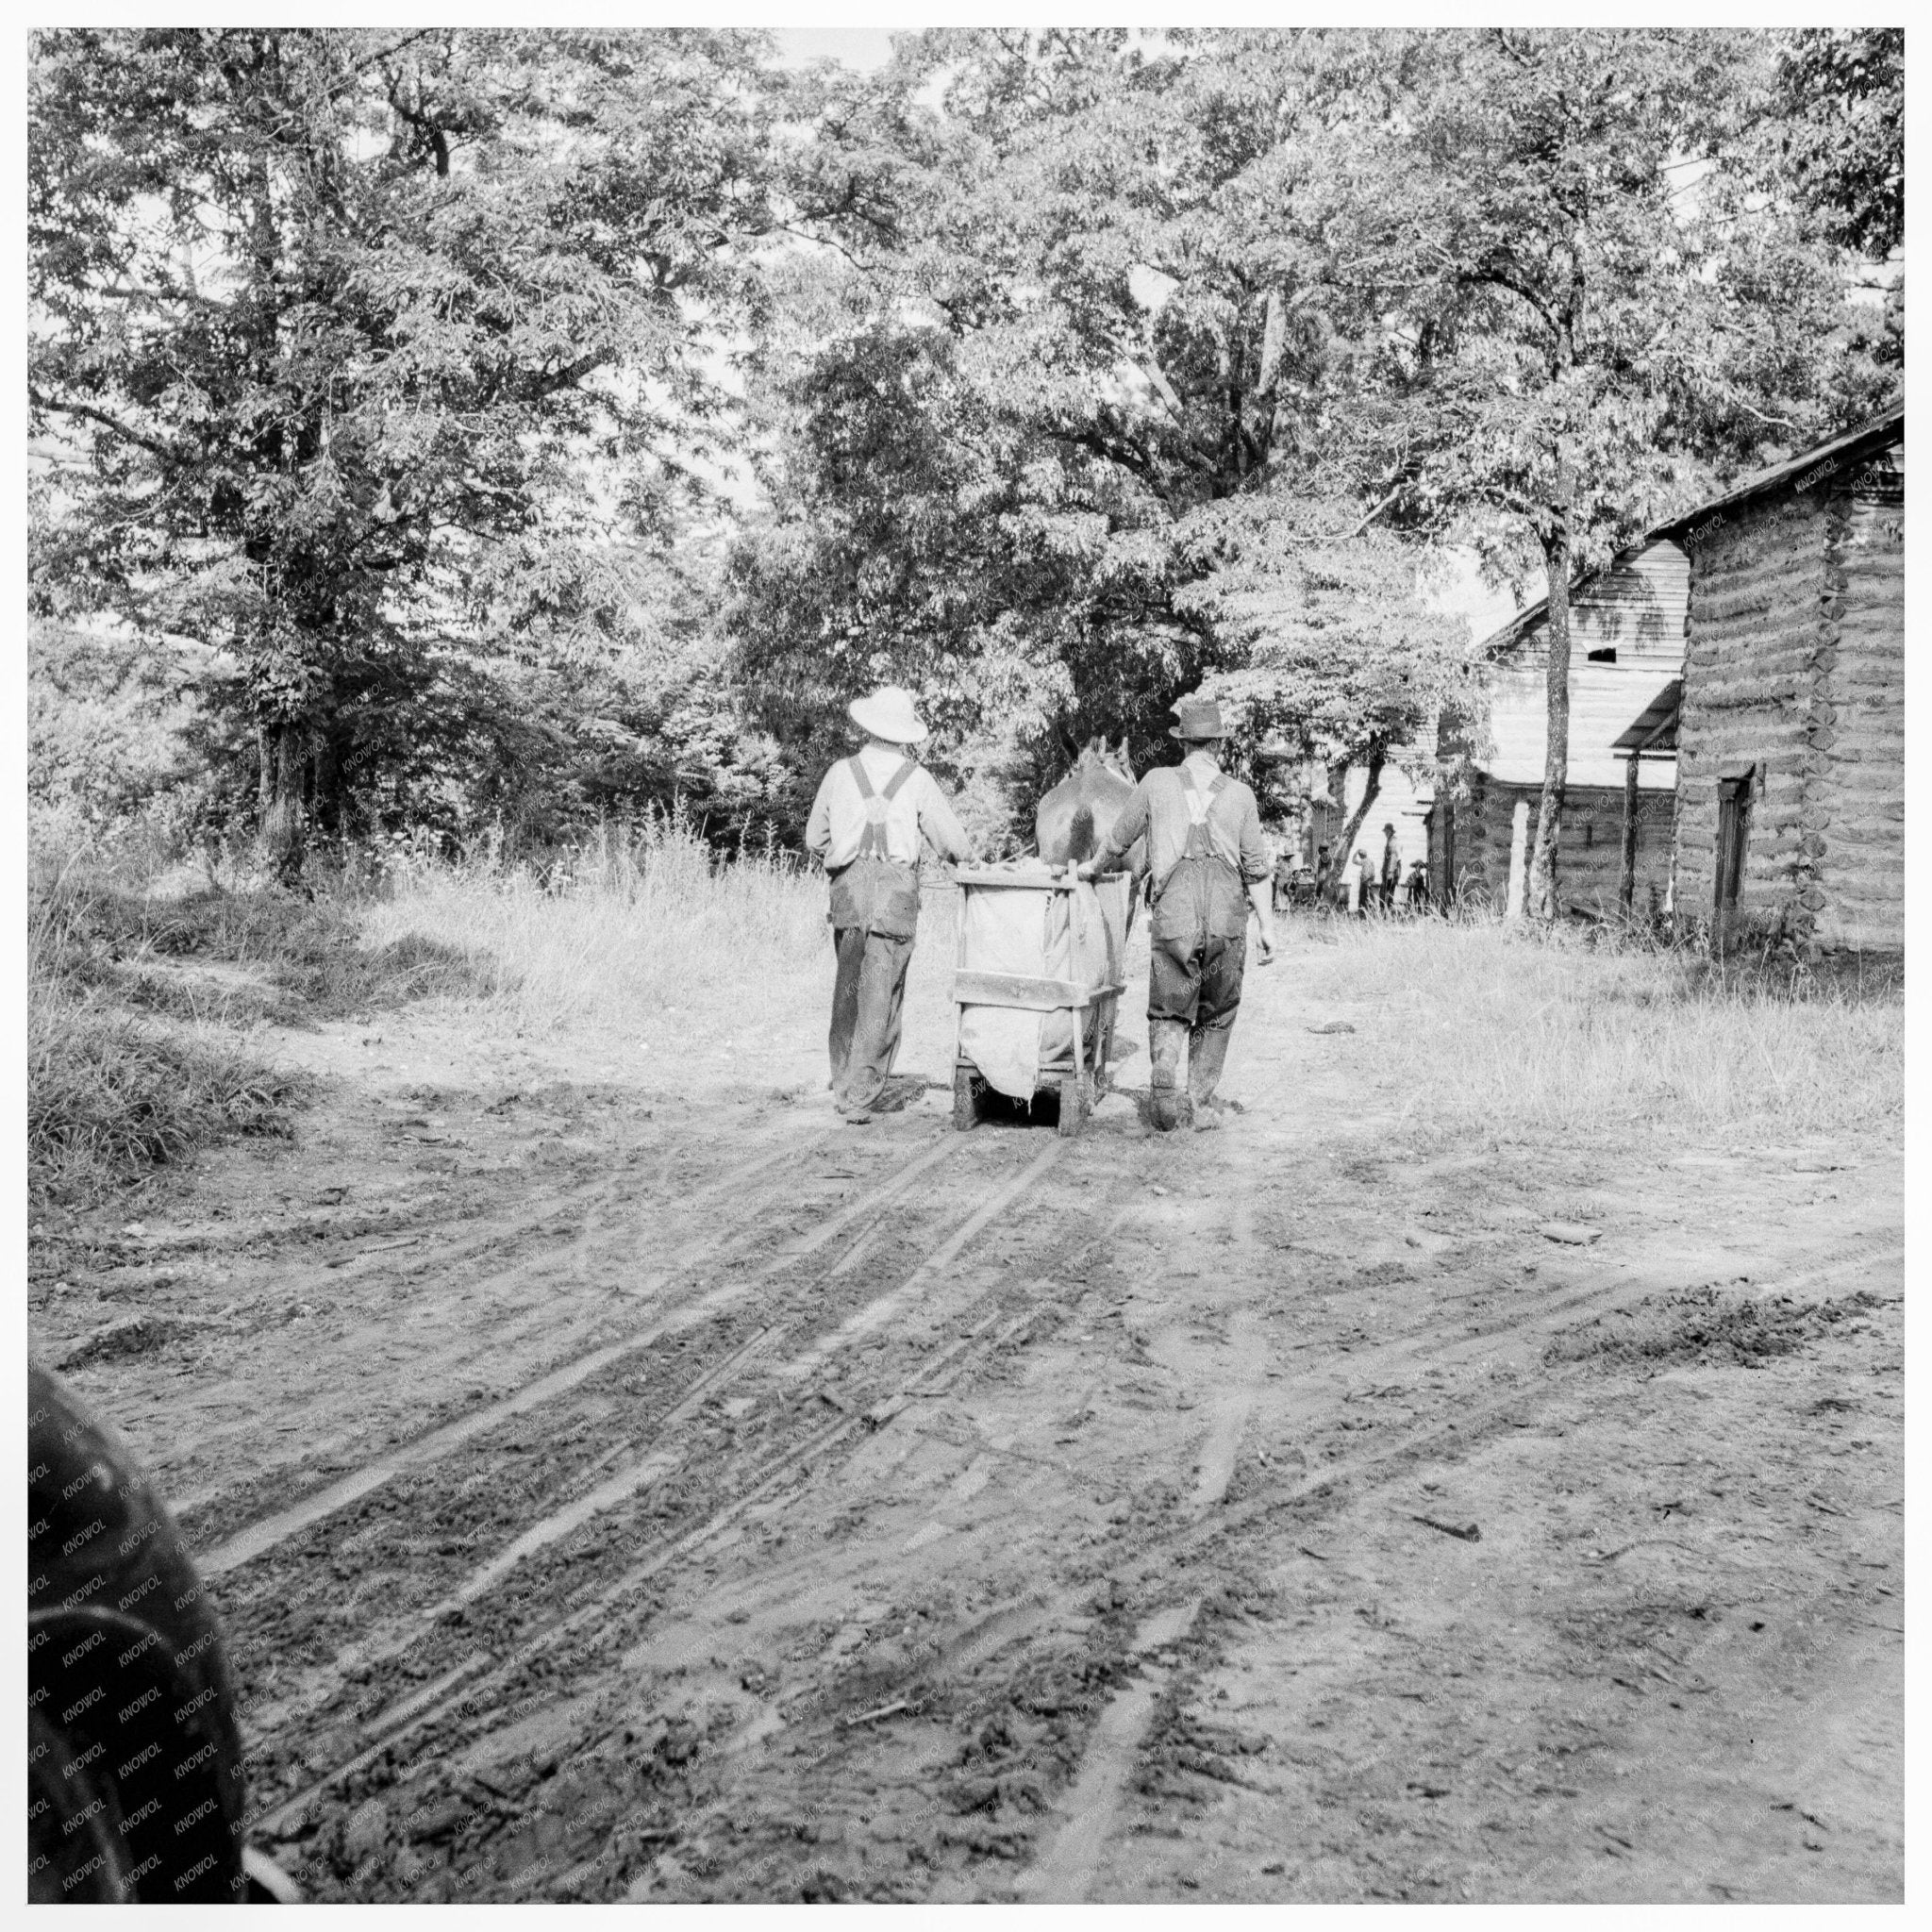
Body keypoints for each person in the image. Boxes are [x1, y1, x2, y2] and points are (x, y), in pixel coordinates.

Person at [1077, 695, 1274, 1132]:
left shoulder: (1155, 782)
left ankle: (1164, 1095)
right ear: (1218, 747)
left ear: (1183, 745)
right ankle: (1199, 1102)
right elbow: (1258, 871)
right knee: (1218, 1009)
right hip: (1227, 917)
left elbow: (1118, 841)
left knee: (1169, 1006)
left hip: (1174, 914)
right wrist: (1268, 929)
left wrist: (1092, 869)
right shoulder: (1241, 796)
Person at [805, 686, 970, 1123]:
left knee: (848, 988)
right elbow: (952, 844)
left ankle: (842, 1079)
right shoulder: (917, 779)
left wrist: (844, 860)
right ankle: (859, 1093)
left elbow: (813, 839)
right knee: (881, 992)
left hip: (848, 891)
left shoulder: (840, 773)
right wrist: (967, 860)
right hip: (896, 894)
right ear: (904, 734)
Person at [1378, 823, 1401, 912]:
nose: (1385, 833)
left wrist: (1390, 871)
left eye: (1387, 831)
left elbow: (1394, 857)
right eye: (1385, 831)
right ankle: (1385, 911)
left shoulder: (1393, 841)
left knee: (1387, 891)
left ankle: (1386, 911)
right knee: (1385, 891)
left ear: (1391, 831)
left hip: (1391, 870)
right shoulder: (1389, 840)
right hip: (1387, 870)